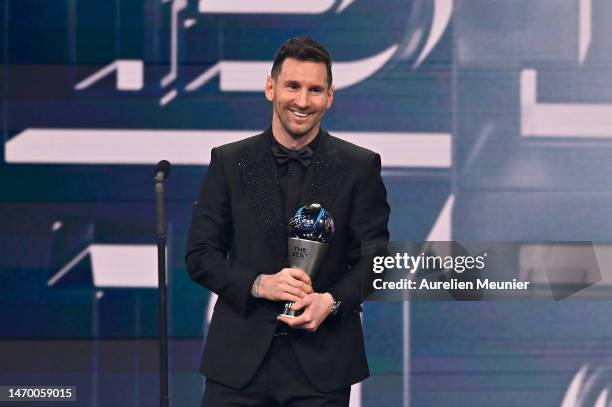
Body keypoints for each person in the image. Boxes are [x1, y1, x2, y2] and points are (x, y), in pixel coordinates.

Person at [186, 36, 390, 406]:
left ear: (329, 96)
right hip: (237, 366)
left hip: (322, 367)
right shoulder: (230, 162)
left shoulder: (359, 166)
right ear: (270, 87)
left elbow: (375, 262)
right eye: (292, 86)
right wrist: (259, 284)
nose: (301, 101)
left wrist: (331, 301)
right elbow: (200, 256)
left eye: (315, 90)